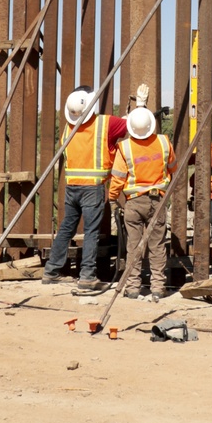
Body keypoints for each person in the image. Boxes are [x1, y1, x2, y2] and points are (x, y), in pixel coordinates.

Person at [41, 85, 134, 296]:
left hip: (72, 187)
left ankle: (51, 270)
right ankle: (87, 276)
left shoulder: (68, 128)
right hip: (93, 188)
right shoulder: (105, 123)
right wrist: (140, 107)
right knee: (91, 232)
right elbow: (131, 126)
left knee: (67, 228)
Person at [108, 106, 176, 302]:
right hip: (157, 201)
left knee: (134, 245)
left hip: (134, 203)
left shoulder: (125, 147)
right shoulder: (164, 142)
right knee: (157, 246)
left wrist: (113, 198)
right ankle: (157, 287)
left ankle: (133, 288)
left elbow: (118, 178)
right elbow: (173, 168)